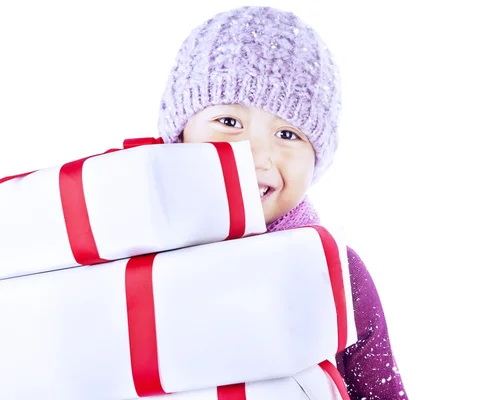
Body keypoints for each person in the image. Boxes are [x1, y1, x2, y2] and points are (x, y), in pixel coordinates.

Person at [157, 6, 408, 399]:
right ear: (180, 134)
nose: (257, 156)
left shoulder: (336, 273)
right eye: (229, 122)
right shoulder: (131, 252)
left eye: (288, 134)